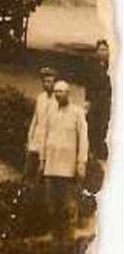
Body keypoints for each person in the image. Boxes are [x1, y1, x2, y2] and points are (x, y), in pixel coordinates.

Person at [37, 81, 88, 242]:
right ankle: (56, 238)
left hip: (68, 168)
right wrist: (42, 160)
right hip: (51, 166)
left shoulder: (77, 113)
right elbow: (44, 136)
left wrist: (81, 162)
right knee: (52, 204)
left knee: (69, 205)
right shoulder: (50, 112)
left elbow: (83, 139)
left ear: (68, 93)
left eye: (61, 91)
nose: (58, 95)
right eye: (56, 92)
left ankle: (68, 240)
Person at [25, 67, 58, 181]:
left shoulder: (58, 101)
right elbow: (35, 119)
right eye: (44, 81)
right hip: (36, 140)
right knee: (29, 169)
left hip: (50, 142)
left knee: (43, 174)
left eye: (49, 82)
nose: (46, 84)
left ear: (55, 83)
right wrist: (30, 138)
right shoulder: (40, 98)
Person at [85, 39, 111, 172]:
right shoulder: (92, 67)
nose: (103, 52)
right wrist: (88, 101)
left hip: (107, 102)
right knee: (94, 125)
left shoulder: (113, 66)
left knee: (105, 125)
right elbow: (89, 85)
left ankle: (102, 150)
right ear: (96, 52)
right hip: (96, 101)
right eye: (100, 50)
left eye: (105, 50)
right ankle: (93, 152)